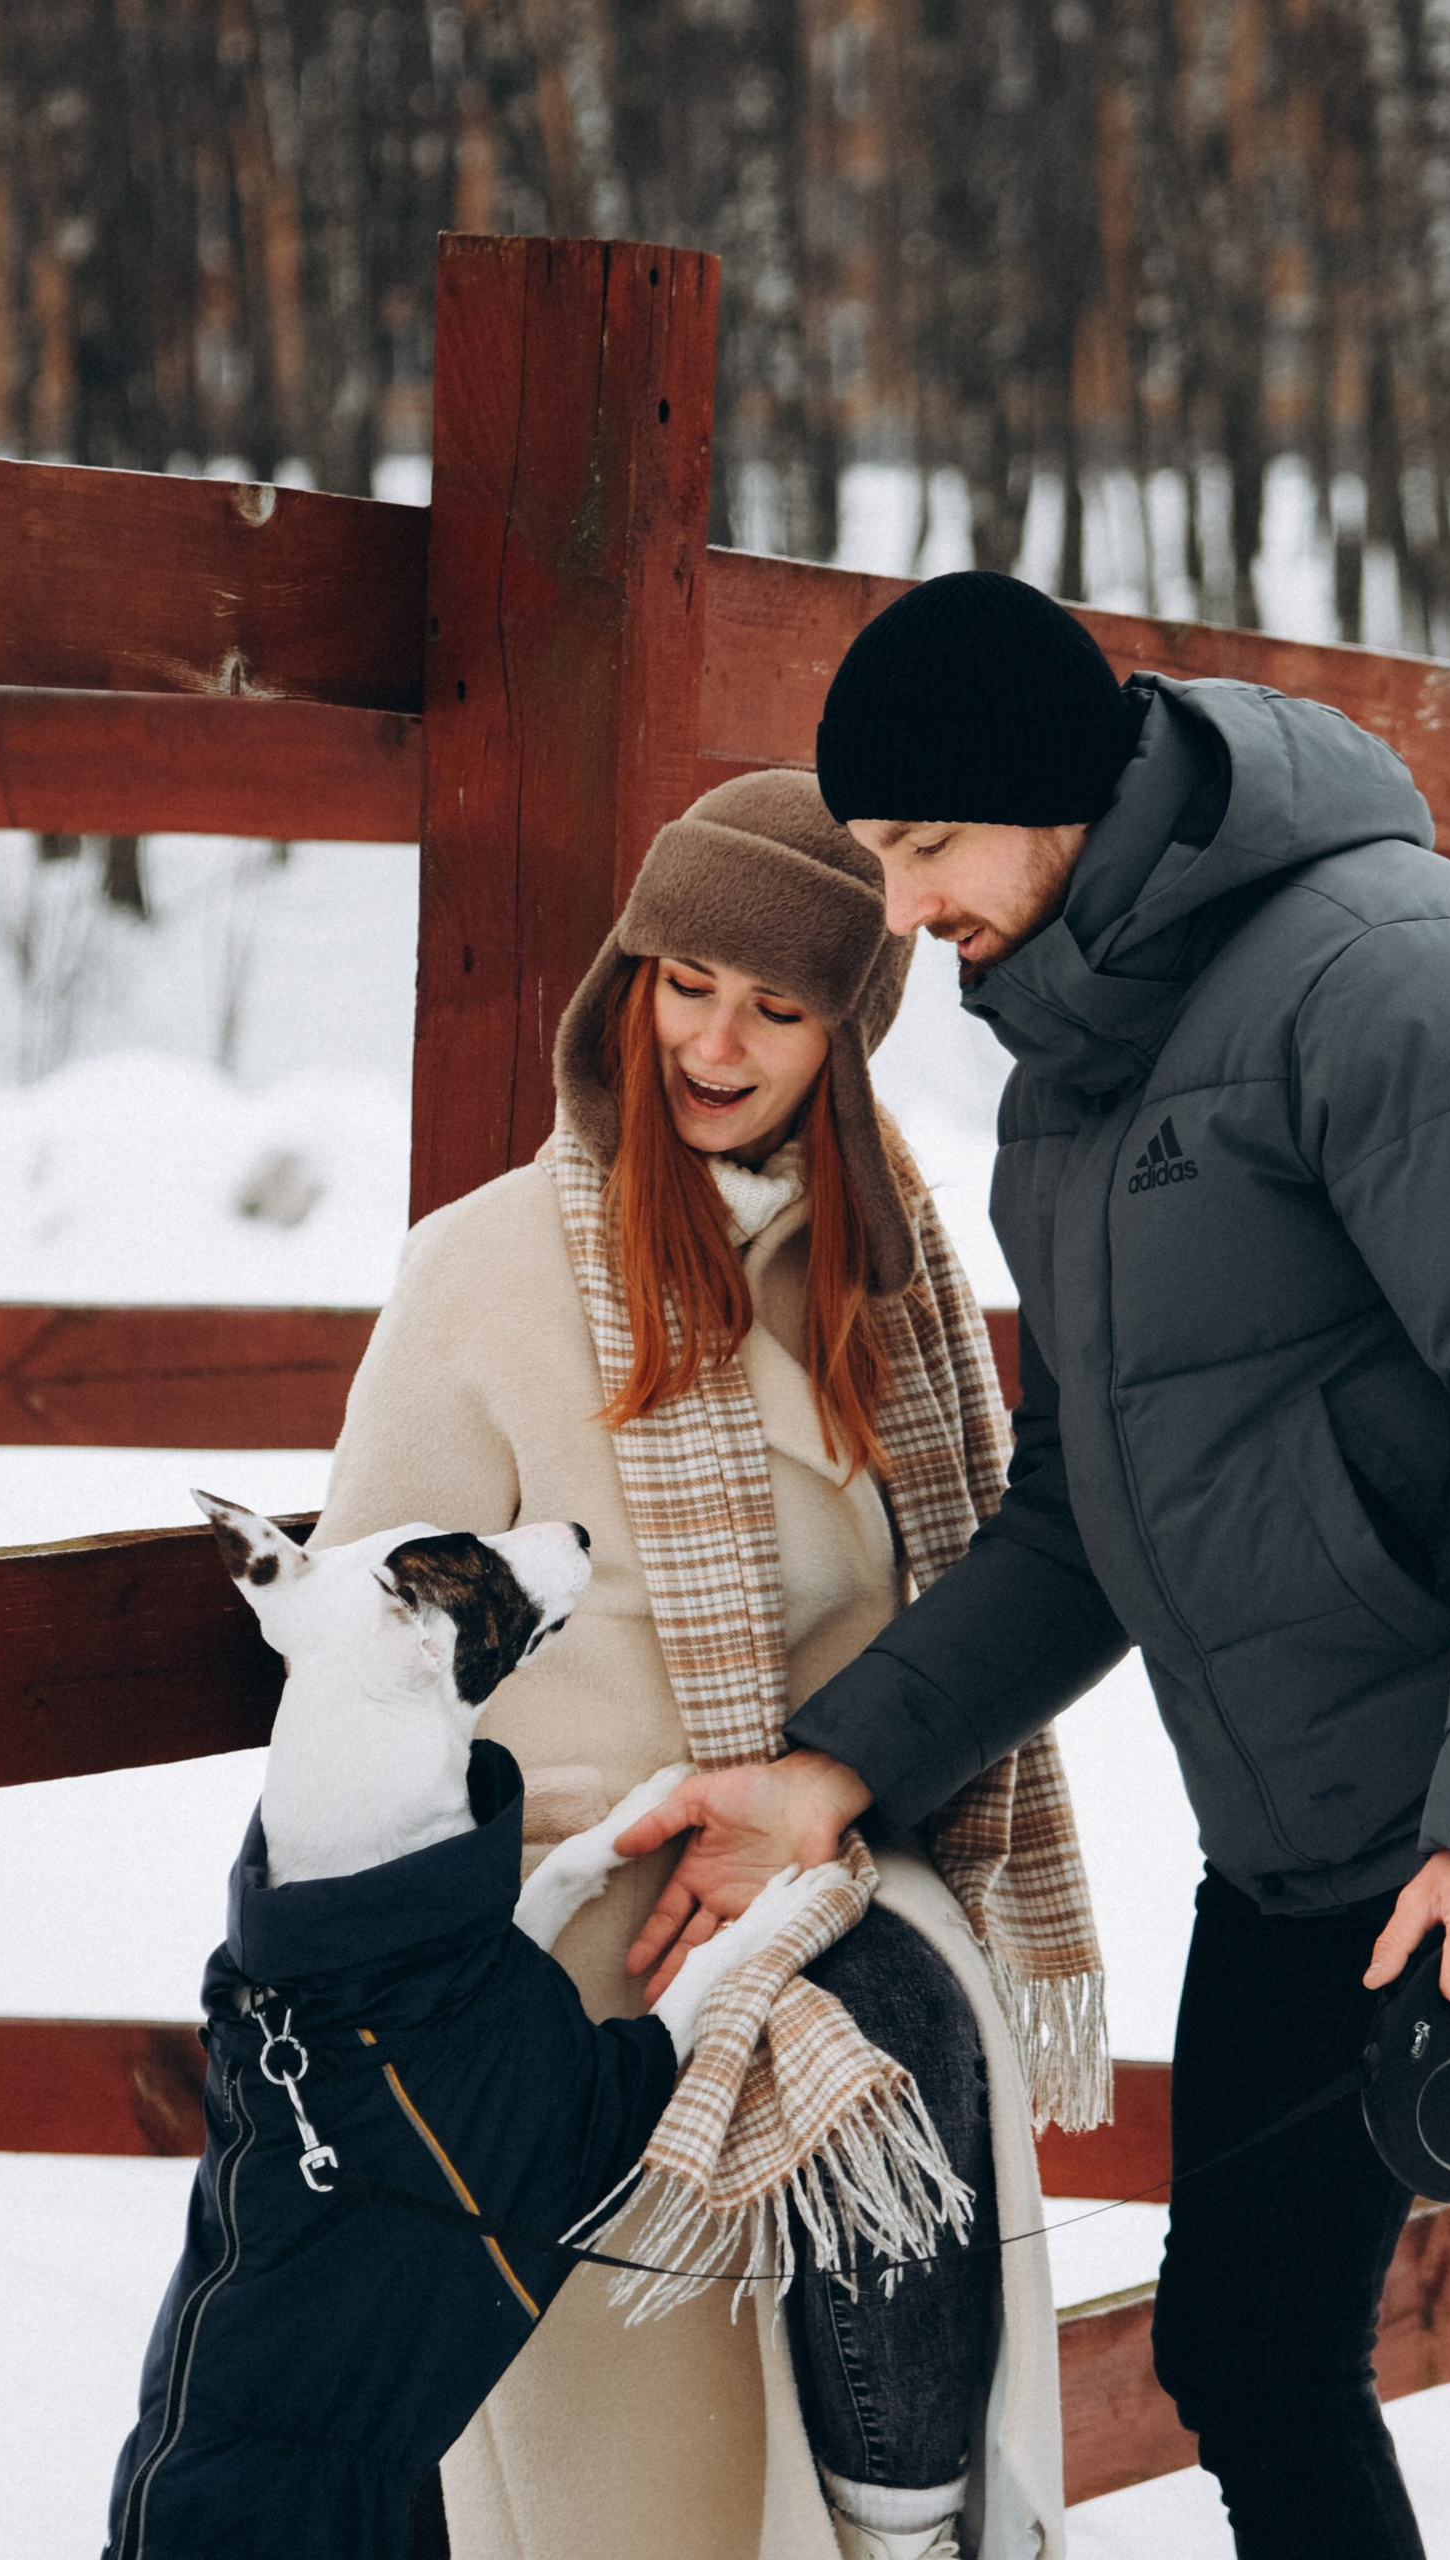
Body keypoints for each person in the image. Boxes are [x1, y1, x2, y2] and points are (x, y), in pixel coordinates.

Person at [627, 570, 1450, 2560]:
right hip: (1306, 1820)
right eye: (870, 855)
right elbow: (1077, 1518)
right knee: (1249, 2337)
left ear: (1047, 797)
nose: (896, 903)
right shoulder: (1070, 1086)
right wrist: (828, 1765)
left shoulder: (1400, 975)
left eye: (920, 842)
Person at [311, 767, 1110, 2560]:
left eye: (778, 1005)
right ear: (629, 977)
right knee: (643, 2496)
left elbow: (961, 1618)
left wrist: (827, 1832)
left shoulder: (882, 1291)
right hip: (572, 1919)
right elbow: (367, 1665)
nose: (716, 1044)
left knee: (890, 2062)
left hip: (831, 1882)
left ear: (847, 1035)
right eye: (687, 981)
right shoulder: (489, 1269)